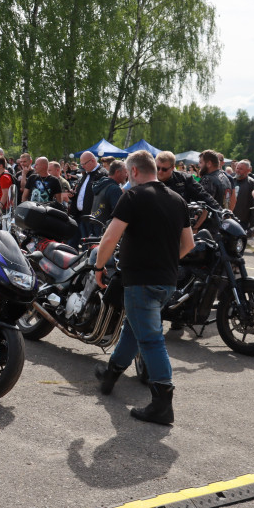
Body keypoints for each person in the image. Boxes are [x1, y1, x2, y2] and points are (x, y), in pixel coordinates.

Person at [93, 150, 194, 425]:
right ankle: (111, 374)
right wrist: (166, 262)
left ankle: (162, 404)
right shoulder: (177, 199)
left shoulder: (133, 196)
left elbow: (110, 237)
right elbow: (189, 245)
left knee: (150, 339)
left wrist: (99, 267)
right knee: (133, 328)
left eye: (128, 174)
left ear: (134, 172)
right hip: (167, 281)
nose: (127, 179)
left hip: (141, 280)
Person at [68, 152, 106, 246]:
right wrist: (74, 196)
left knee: (89, 247)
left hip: (92, 218)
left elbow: (101, 197)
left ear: (92, 161)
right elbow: (83, 193)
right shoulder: (86, 174)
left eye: (84, 164)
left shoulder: (102, 174)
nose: (82, 167)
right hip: (79, 216)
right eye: (81, 164)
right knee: (72, 244)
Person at [90, 159, 127, 229]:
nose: (126, 175)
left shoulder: (101, 185)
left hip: (95, 227)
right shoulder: (114, 189)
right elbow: (120, 214)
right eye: (125, 172)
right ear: (117, 172)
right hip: (107, 230)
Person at [232, 160, 254, 233]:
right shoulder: (231, 181)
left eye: (241, 169)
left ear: (248, 170)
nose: (238, 171)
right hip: (230, 217)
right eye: (237, 168)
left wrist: (253, 223)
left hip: (244, 221)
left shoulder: (252, 183)